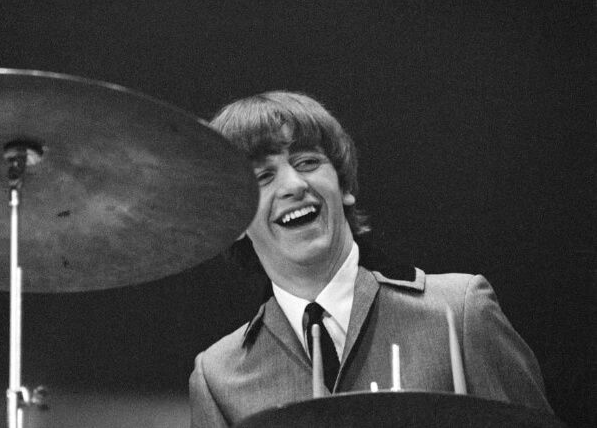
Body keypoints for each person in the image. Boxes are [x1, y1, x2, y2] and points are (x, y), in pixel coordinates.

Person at [189, 91, 552, 427]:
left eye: (308, 162)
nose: (294, 185)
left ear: (344, 186)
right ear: (234, 218)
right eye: (264, 176)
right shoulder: (218, 378)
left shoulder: (459, 311)